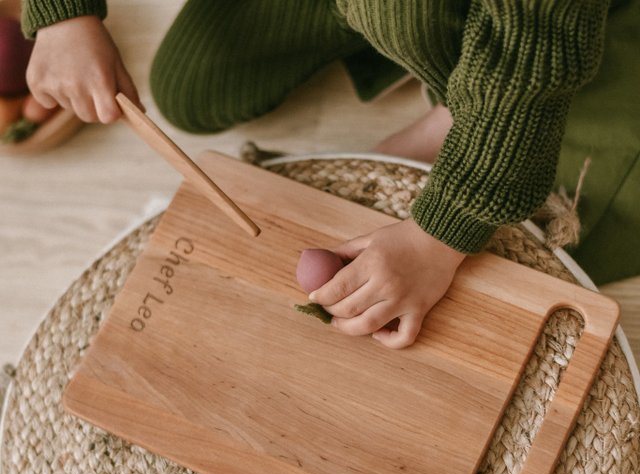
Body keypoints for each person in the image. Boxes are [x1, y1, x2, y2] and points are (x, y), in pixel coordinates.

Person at [21, 0, 639, 348]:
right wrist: (62, 16)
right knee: (191, 89)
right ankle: (410, 40)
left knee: (566, 238)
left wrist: (438, 238)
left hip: (544, 22)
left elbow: (525, 65)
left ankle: (455, 98)